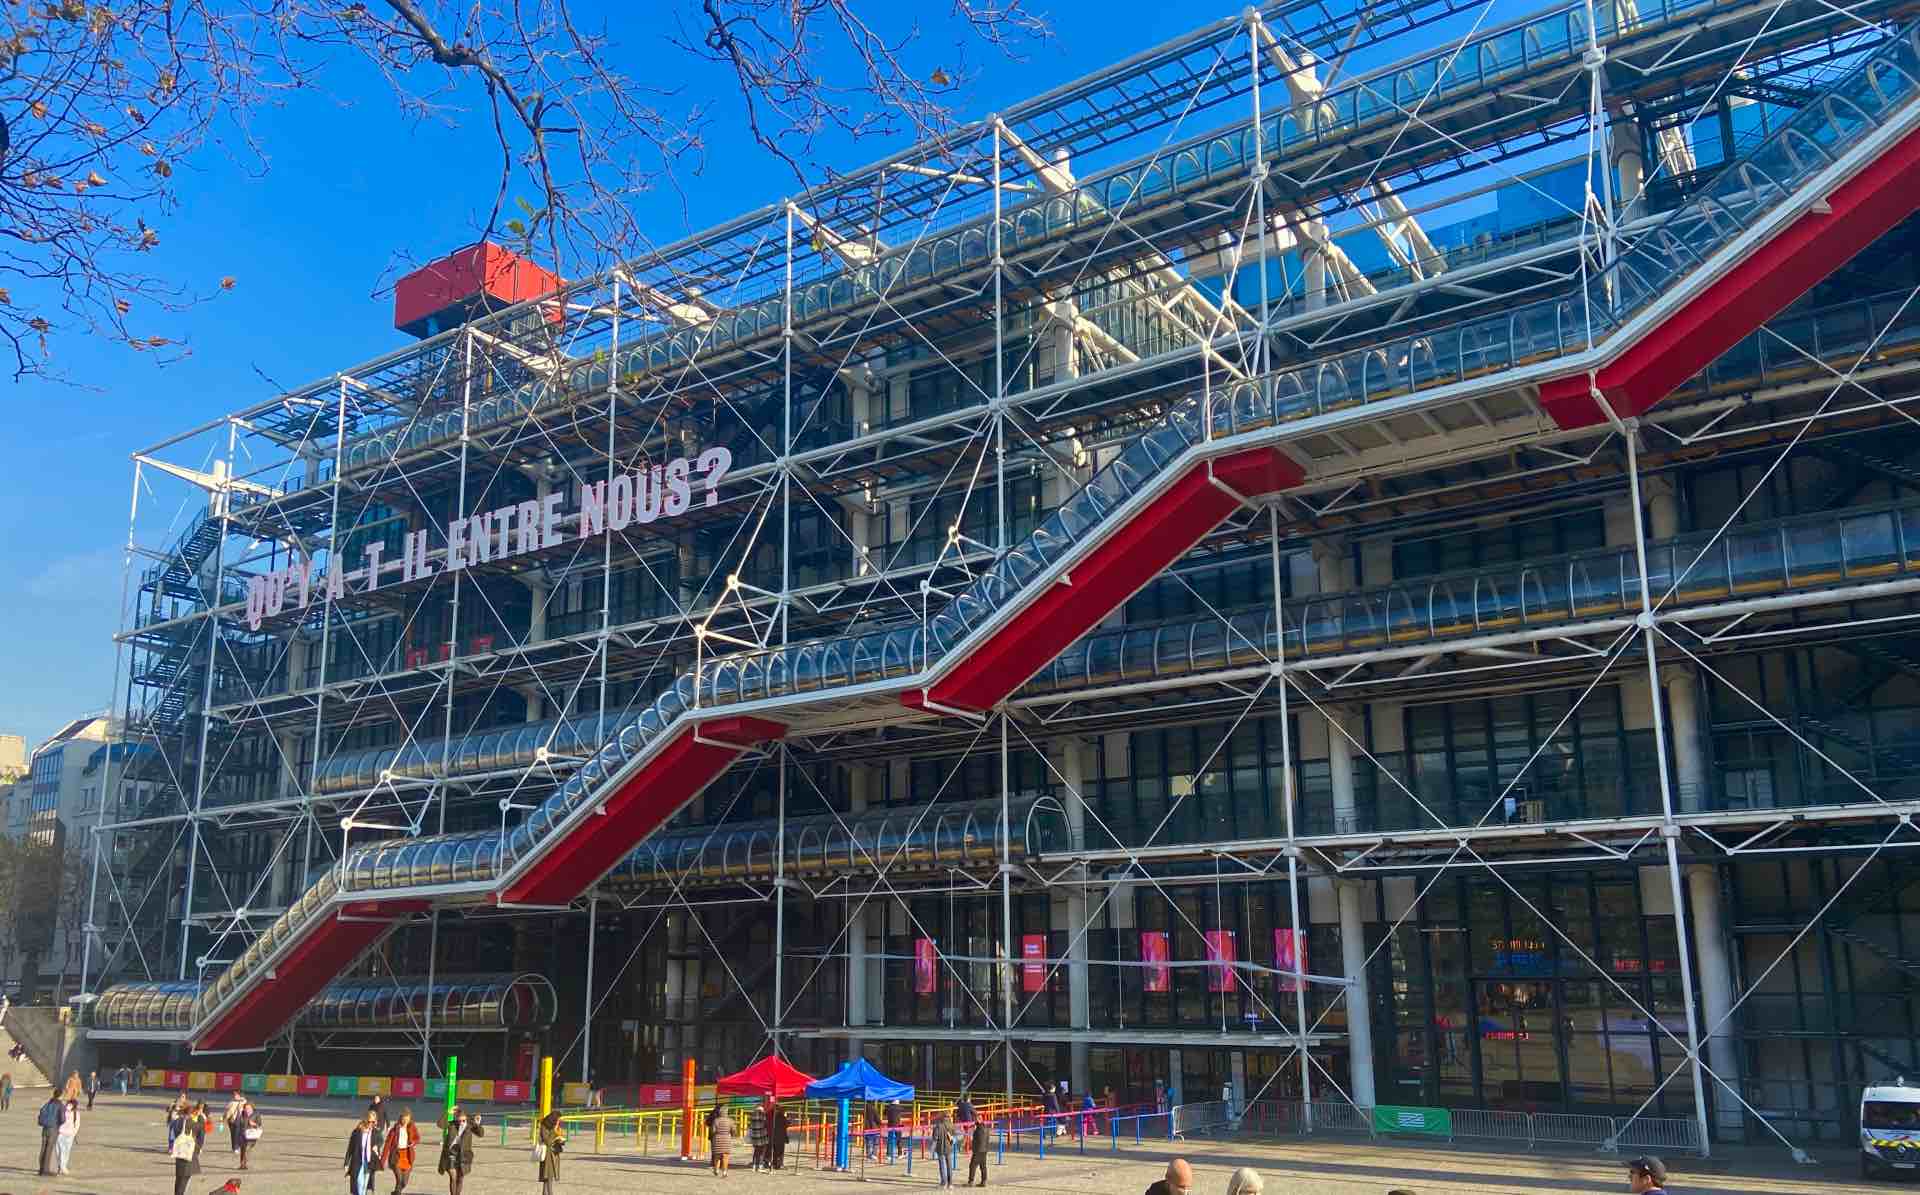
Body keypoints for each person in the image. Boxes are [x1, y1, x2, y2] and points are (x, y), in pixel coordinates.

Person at [437, 1107, 482, 1195]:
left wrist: (477, 1124)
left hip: (464, 1155)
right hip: (451, 1154)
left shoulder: (470, 1125)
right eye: (459, 1121)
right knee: (453, 1177)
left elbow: (480, 1134)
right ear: (456, 1119)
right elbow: (440, 1124)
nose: (461, 1123)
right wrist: (447, 1113)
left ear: (466, 1119)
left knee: (460, 1178)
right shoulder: (452, 1124)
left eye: (463, 1121)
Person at [382, 1107, 419, 1192]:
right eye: (404, 1118)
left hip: (408, 1156)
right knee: (399, 1180)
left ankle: (395, 1192)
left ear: (410, 1118)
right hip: (396, 1156)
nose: (405, 1121)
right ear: (401, 1118)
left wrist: (413, 1142)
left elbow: (417, 1138)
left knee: (404, 1182)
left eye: (407, 1118)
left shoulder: (412, 1127)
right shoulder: (394, 1130)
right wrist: (382, 1161)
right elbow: (387, 1145)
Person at [346, 1110, 380, 1195]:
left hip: (369, 1162)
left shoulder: (375, 1132)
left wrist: (377, 1147)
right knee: (359, 1183)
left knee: (365, 1184)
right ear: (365, 1120)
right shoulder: (357, 1132)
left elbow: (380, 1140)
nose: (371, 1123)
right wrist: (346, 1163)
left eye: (373, 1122)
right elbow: (350, 1147)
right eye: (369, 1121)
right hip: (358, 1161)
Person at [535, 1109, 565, 1195]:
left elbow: (558, 1137)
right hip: (548, 1155)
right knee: (548, 1177)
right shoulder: (545, 1126)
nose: (559, 1121)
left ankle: (545, 1193)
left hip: (554, 1153)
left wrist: (561, 1141)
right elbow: (547, 1141)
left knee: (548, 1178)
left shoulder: (555, 1126)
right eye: (558, 1119)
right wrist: (554, 1131)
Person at [37, 1091, 64, 1175]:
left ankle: (41, 1168)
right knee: (49, 1149)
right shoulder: (60, 1105)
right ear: (60, 1096)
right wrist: (58, 1124)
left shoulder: (48, 1103)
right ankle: (45, 1170)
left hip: (45, 1128)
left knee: (43, 1148)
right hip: (53, 1129)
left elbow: (41, 1112)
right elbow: (62, 1119)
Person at [171, 1114, 199, 1195]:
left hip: (179, 1153)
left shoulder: (177, 1121)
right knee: (185, 1178)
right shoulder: (191, 1122)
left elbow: (173, 1133)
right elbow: (201, 1130)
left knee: (179, 1178)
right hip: (188, 1154)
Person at [54, 1095, 80, 1174]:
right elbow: (77, 1124)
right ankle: (63, 1166)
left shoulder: (62, 1110)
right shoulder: (76, 1113)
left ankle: (60, 1166)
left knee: (59, 1151)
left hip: (60, 1133)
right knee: (66, 1152)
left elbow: (56, 1121)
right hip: (69, 1134)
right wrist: (74, 1133)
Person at [236, 1099, 263, 1171]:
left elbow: (259, 1125)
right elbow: (239, 1122)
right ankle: (242, 1164)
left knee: (247, 1149)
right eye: (246, 1108)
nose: (247, 1110)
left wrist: (253, 1124)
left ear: (252, 1107)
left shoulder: (256, 1114)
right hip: (243, 1134)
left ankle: (244, 1164)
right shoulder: (242, 1113)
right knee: (243, 1149)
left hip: (252, 1135)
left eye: (248, 1108)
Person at [931, 1111, 956, 1189]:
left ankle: (943, 1183)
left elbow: (935, 1138)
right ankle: (950, 1183)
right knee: (949, 1165)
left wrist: (932, 1148)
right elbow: (954, 1136)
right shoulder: (952, 1125)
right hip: (949, 1148)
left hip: (940, 1148)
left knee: (942, 1166)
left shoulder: (938, 1126)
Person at [709, 1102, 734, 1176]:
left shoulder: (716, 1120)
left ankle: (716, 1170)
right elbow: (733, 1130)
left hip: (717, 1140)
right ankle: (724, 1172)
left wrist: (714, 1135)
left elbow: (713, 1131)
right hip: (726, 1139)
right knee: (725, 1157)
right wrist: (731, 1134)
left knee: (717, 1156)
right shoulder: (730, 1121)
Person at [966, 1115, 989, 1187]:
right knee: (983, 1166)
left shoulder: (978, 1129)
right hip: (984, 1150)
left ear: (979, 1120)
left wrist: (972, 1148)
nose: (975, 1121)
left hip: (978, 1150)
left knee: (972, 1166)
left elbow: (975, 1140)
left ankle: (971, 1181)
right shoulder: (986, 1128)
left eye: (975, 1120)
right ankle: (984, 1181)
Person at [225, 1091, 248, 1158]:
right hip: (232, 1120)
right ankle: (235, 1147)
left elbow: (245, 1101)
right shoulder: (231, 1102)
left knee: (237, 1133)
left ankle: (236, 1147)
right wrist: (225, 1119)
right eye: (234, 1095)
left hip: (239, 1120)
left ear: (239, 1096)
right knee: (233, 1134)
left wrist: (240, 1100)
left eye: (236, 1095)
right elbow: (228, 1111)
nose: (234, 1096)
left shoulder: (243, 1101)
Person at [768, 1100, 790, 1172]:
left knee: (774, 1151)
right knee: (780, 1152)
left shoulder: (771, 1116)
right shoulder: (782, 1117)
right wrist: (787, 1117)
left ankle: (774, 1163)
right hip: (780, 1137)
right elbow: (787, 1124)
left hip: (772, 1136)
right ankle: (779, 1164)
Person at [748, 1099, 769, 1172]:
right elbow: (766, 1123)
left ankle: (754, 1165)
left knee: (756, 1151)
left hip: (755, 1135)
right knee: (762, 1151)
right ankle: (760, 1165)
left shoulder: (752, 1114)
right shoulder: (762, 1114)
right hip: (762, 1135)